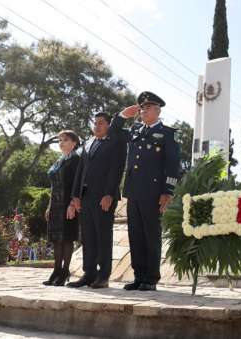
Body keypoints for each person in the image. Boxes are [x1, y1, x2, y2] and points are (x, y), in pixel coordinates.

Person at [111, 91, 181, 292]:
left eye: (147, 108)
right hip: (133, 191)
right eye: (141, 108)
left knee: (151, 235)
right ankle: (138, 276)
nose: (142, 111)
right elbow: (114, 132)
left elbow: (172, 165)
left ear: (157, 111)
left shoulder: (167, 133)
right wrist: (123, 115)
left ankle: (151, 278)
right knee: (136, 235)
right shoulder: (135, 130)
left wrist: (168, 191)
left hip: (153, 191)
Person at [67, 112, 127, 289]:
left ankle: (103, 275)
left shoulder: (115, 143)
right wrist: (75, 196)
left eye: (101, 123)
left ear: (109, 125)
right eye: (95, 123)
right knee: (88, 236)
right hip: (86, 197)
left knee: (103, 237)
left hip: (104, 198)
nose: (97, 126)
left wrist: (109, 194)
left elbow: (117, 169)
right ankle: (89, 273)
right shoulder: (88, 143)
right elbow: (80, 171)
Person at [43, 130, 81, 287]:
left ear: (74, 142)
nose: (61, 142)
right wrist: (49, 206)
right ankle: (56, 270)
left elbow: (77, 184)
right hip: (56, 205)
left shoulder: (76, 159)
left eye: (65, 140)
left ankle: (65, 271)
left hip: (68, 204)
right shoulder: (59, 160)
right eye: (60, 140)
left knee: (66, 238)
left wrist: (73, 204)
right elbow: (53, 186)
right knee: (56, 239)